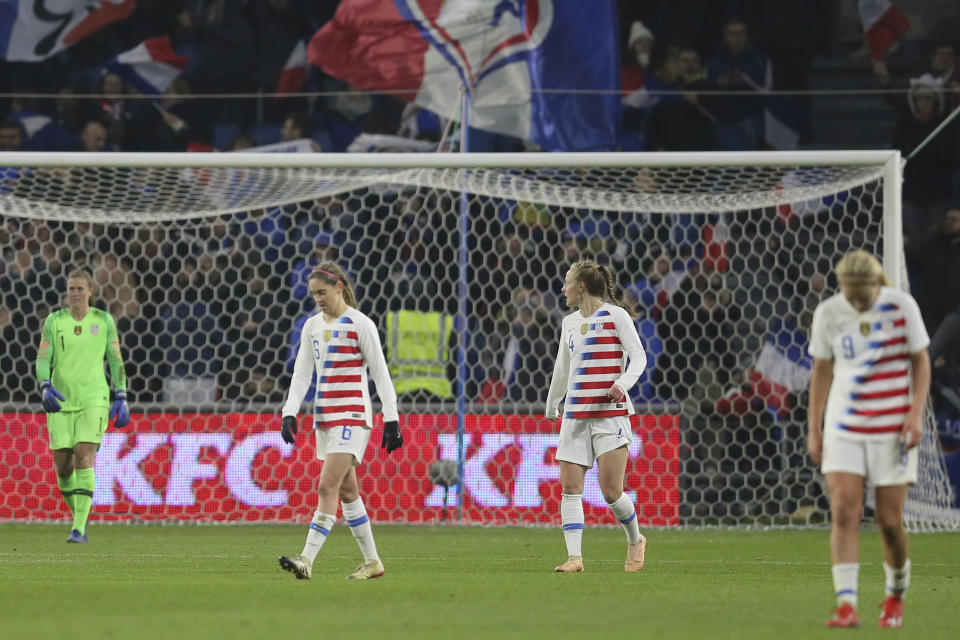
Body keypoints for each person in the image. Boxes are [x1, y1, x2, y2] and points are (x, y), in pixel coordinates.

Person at [807, 250, 931, 628]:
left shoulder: (901, 307)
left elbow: (920, 361)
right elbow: (822, 369)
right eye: (851, 294)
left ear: (876, 283)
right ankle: (847, 606)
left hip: (892, 429)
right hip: (844, 426)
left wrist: (914, 415)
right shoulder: (828, 312)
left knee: (890, 521)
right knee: (845, 510)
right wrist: (815, 427)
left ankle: (895, 596)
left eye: (863, 294)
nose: (857, 301)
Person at [277, 262, 403, 580]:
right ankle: (373, 562)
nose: (318, 298)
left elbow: (379, 371)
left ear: (339, 287)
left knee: (326, 485)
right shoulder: (311, 327)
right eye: (313, 294)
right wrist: (289, 411)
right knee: (347, 492)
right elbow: (303, 372)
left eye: (322, 292)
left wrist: (391, 417)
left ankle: (306, 558)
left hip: (353, 415)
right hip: (325, 417)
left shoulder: (360, 324)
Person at [544, 260, 649, 573]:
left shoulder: (616, 316)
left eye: (566, 282)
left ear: (581, 286)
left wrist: (622, 384)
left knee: (611, 493)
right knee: (570, 487)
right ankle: (575, 558)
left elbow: (639, 356)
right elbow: (562, 368)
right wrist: (553, 404)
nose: (562, 289)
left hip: (609, 415)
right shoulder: (568, 323)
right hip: (575, 415)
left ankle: (636, 539)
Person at [34, 269, 130, 543]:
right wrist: (44, 384)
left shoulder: (103, 320)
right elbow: (43, 358)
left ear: (91, 292)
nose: (74, 293)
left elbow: (115, 359)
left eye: (79, 289)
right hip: (62, 400)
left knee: (83, 453)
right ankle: (81, 513)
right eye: (70, 289)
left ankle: (78, 528)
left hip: (93, 398)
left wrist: (120, 394)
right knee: (64, 468)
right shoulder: (54, 321)